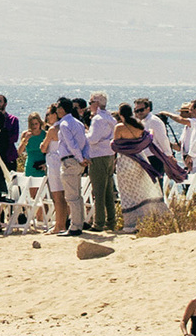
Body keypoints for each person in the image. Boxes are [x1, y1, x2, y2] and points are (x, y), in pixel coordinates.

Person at [112, 105, 187, 231]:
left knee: (127, 192)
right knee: (140, 192)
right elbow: (147, 138)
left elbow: (115, 145)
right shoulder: (139, 126)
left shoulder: (119, 127)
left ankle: (130, 224)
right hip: (140, 160)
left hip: (125, 161)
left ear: (120, 115)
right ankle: (145, 219)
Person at [51, 99, 90, 236]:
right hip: (78, 161)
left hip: (69, 161)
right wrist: (84, 158)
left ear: (62, 109)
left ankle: (74, 226)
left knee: (71, 196)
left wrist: (80, 158)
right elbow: (86, 142)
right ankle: (79, 223)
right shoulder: (78, 123)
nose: (56, 110)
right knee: (77, 196)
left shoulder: (64, 124)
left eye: (58, 107)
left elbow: (71, 144)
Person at [84, 92, 119, 234]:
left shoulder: (98, 119)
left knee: (98, 190)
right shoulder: (110, 118)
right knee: (108, 191)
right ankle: (111, 220)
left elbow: (92, 139)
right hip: (109, 155)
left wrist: (84, 133)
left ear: (96, 103)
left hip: (98, 156)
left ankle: (99, 222)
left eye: (91, 102)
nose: (89, 105)